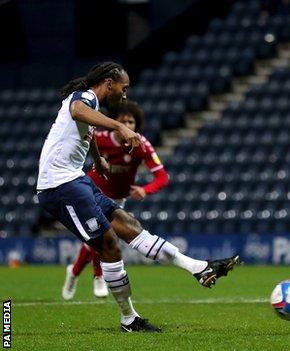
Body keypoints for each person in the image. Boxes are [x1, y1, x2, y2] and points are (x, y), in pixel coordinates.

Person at [36, 62, 240, 332]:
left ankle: (198, 267)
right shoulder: (85, 97)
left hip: (77, 179)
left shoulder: (92, 106)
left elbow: (87, 130)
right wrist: (120, 128)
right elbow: (77, 111)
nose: (125, 94)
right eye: (124, 87)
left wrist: (98, 160)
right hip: (59, 185)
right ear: (109, 82)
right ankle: (129, 319)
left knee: (129, 224)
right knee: (109, 244)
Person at [62, 100, 170, 300]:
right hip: (93, 193)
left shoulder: (141, 144)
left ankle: (74, 272)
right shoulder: (101, 138)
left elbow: (163, 177)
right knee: (100, 235)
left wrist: (146, 190)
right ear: (115, 122)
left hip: (118, 199)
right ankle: (99, 276)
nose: (128, 126)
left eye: (132, 122)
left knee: (92, 241)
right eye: (124, 121)